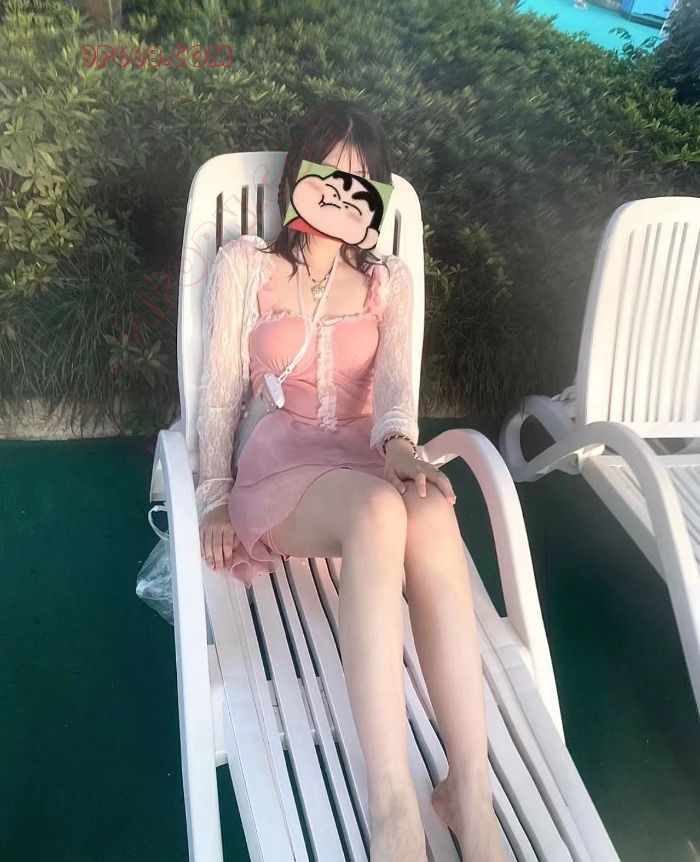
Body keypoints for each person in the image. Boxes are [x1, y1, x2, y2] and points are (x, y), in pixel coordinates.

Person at [196, 98, 506, 862]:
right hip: (283, 461)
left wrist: (401, 445)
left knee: (428, 510)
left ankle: (468, 791)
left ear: (376, 199)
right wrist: (211, 495)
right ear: (297, 177)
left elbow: (396, 392)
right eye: (329, 175)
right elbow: (220, 392)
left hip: (367, 454)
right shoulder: (248, 266)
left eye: (359, 182)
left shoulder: (388, 281)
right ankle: (392, 805)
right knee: (376, 514)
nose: (341, 194)